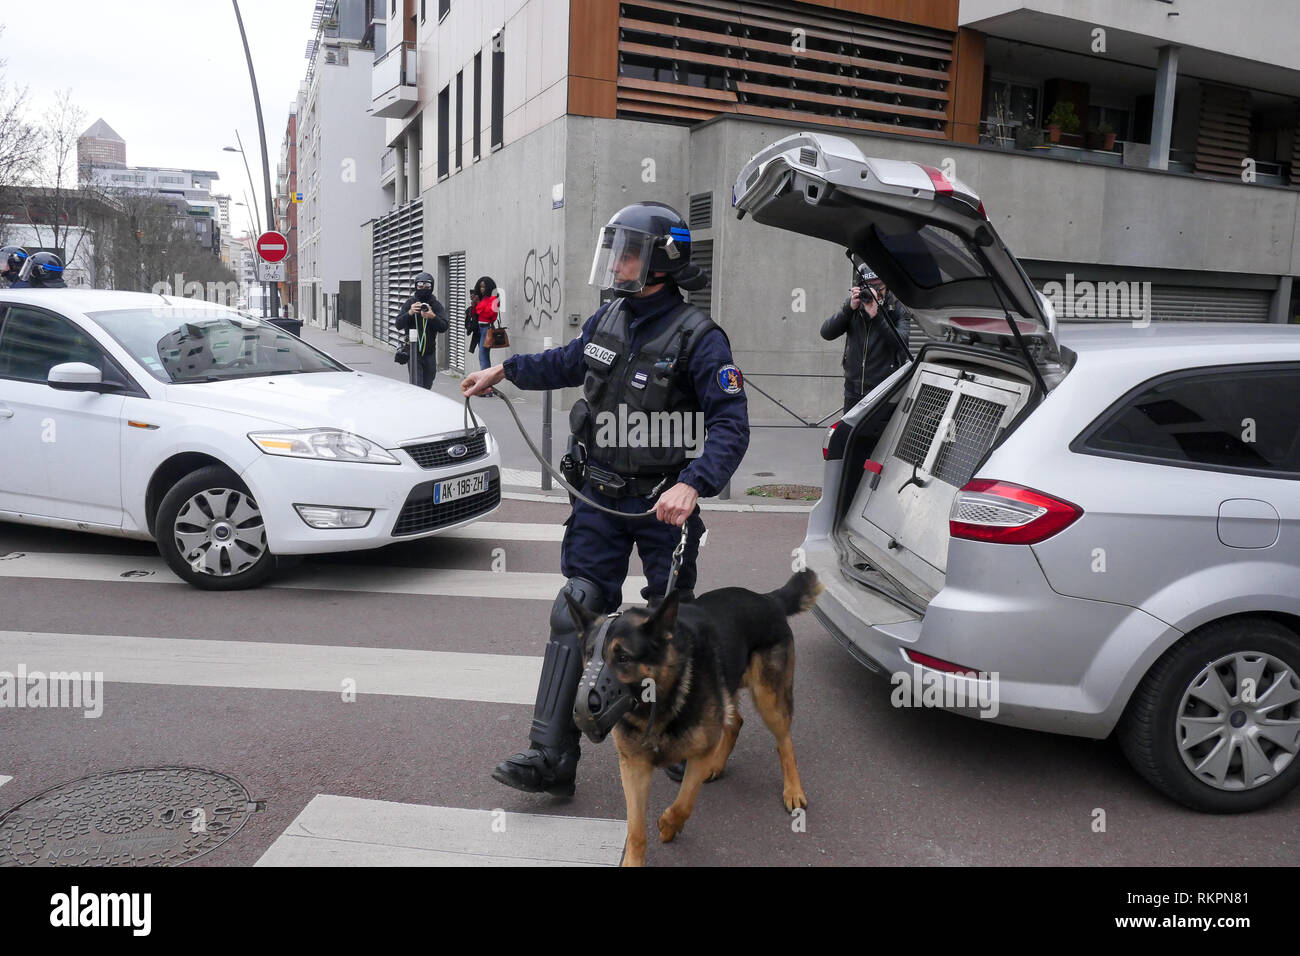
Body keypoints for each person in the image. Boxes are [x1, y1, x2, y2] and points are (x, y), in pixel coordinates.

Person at [462, 201, 750, 797]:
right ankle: (551, 756)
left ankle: (678, 734)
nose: (615, 261)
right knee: (574, 609)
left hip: (662, 508)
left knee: (669, 626)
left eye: (627, 250)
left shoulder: (701, 338)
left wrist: (692, 483)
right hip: (598, 495)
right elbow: (568, 362)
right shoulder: (609, 318)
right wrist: (505, 371)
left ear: (660, 261)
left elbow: (730, 425)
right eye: (615, 249)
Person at [820, 262, 910, 412]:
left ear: (886, 286)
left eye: (878, 287)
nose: (874, 291)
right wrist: (848, 309)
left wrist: (877, 316)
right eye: (868, 286)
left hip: (884, 390)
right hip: (853, 389)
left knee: (879, 435)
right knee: (851, 434)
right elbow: (826, 333)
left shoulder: (897, 308)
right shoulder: (854, 307)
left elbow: (902, 344)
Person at [395, 271, 448, 388]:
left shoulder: (436, 305)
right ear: (415, 287)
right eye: (420, 286)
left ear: (432, 287)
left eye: (427, 286)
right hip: (413, 351)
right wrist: (409, 312)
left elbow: (444, 326)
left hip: (429, 351)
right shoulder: (410, 303)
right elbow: (398, 324)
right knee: (416, 384)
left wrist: (432, 316)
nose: (423, 289)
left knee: (428, 383)